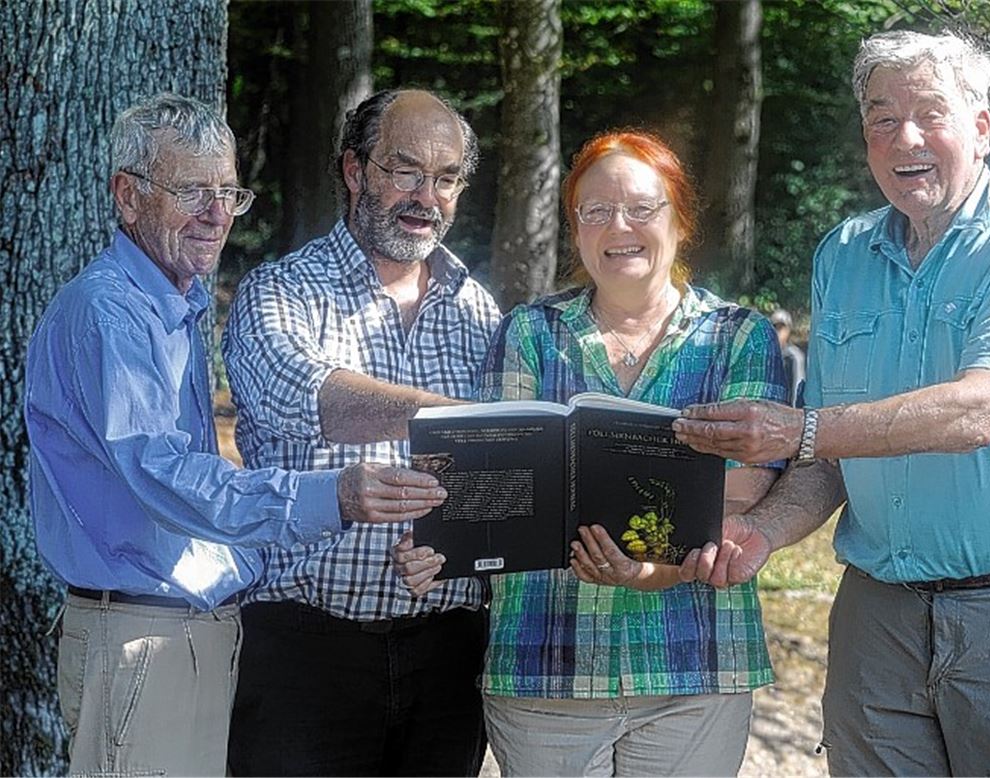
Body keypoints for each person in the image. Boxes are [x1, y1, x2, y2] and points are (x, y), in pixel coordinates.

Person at [673, 30, 990, 777]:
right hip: (878, 616)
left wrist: (800, 428)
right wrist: (764, 529)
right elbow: (834, 451)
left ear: (980, 127)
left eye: (930, 114)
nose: (904, 137)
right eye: (881, 118)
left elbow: (975, 410)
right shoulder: (843, 255)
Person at [23, 93, 441, 778]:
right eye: (192, 191)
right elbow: (164, 475)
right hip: (144, 638)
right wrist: (330, 496)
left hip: (187, 634)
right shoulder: (110, 313)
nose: (217, 214)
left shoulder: (174, 303)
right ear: (127, 196)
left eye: (228, 192)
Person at [396, 130, 788, 777]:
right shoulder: (530, 331)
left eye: (642, 208)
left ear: (679, 219)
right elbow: (492, 490)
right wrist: (440, 543)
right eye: (595, 210)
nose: (619, 226)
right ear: (575, 228)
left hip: (691, 665)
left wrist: (650, 571)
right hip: (544, 664)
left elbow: (738, 498)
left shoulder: (737, 337)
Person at [221, 89, 500, 776]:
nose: (425, 197)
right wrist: (463, 420)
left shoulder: (482, 312)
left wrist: (456, 547)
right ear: (354, 171)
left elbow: (505, 478)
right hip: (304, 650)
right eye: (404, 170)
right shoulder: (281, 291)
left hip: (450, 653)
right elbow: (309, 397)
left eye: (445, 178)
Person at [769, 307, 805, 404]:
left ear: (788, 330)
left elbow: (798, 386)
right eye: (775, 328)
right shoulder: (766, 356)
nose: (778, 333)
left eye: (781, 328)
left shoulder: (794, 356)